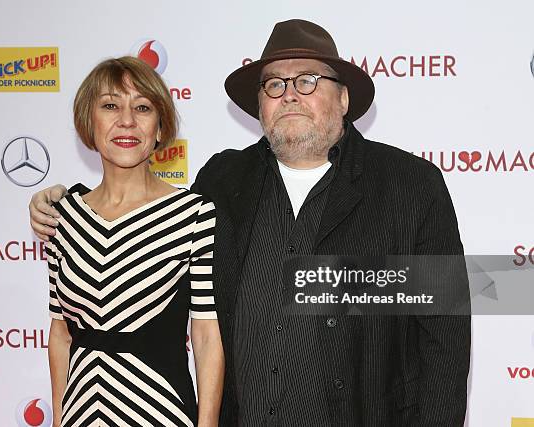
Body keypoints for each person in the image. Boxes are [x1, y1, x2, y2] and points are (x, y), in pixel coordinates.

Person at [31, 20, 470, 426]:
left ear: (344, 98)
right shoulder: (222, 182)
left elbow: (444, 343)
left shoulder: (409, 187)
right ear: (259, 103)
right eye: (274, 84)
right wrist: (55, 200)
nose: (290, 94)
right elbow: (141, 222)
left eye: (308, 80)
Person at [43, 56, 224, 427]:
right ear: (88, 123)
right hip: (81, 412)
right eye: (110, 106)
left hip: (160, 411)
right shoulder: (63, 216)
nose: (126, 120)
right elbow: (60, 334)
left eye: (142, 107)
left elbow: (206, 337)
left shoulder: (192, 215)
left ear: (159, 128)